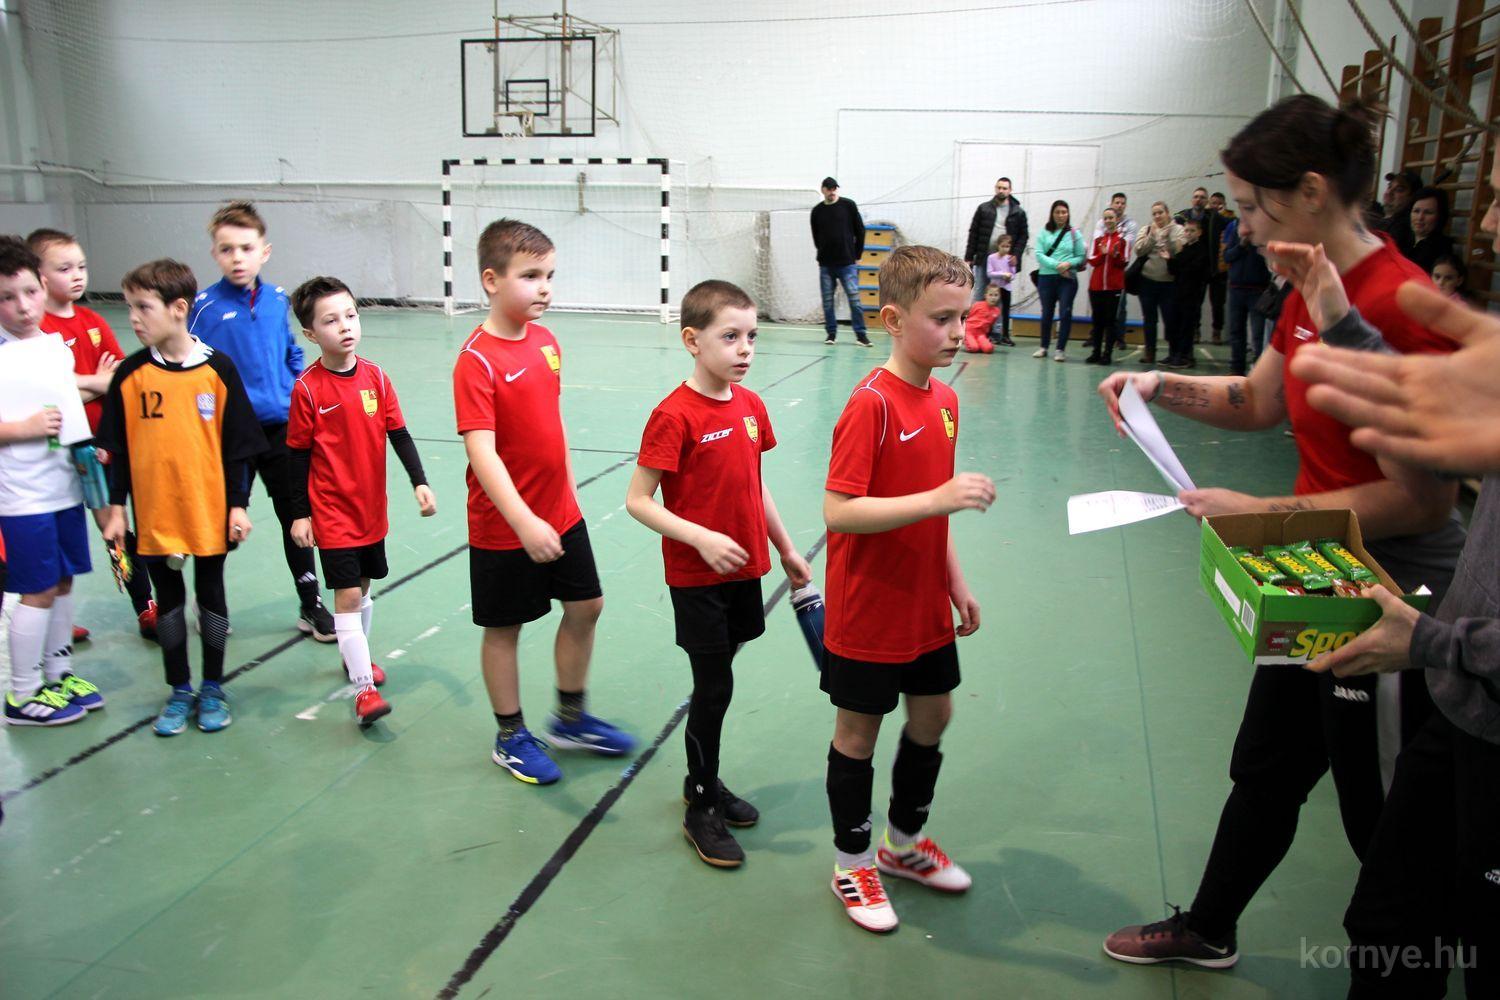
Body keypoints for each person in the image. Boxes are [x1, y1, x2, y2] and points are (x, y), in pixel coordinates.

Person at [1096, 94, 1466, 971]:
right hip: (1310, 573)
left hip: (1389, 597)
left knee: (1382, 813)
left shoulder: (1402, 306)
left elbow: (1423, 501)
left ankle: (1409, 965)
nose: (1245, 227)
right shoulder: (1308, 285)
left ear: (1310, 192)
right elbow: (1262, 399)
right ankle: (1211, 925)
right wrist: (1159, 387)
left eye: (1253, 207)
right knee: (1267, 764)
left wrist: (1262, 513)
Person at [1282, 230, 1500, 998]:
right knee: (1387, 921)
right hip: (1465, 705)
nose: (1489, 222)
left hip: (1472, 693)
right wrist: (1343, 324)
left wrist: (1435, 642)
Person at [820, 245, 992, 934]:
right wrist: (937, 499)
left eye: (963, 318)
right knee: (858, 733)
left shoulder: (945, 400)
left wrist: (956, 582)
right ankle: (851, 863)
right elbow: (839, 512)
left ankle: (902, 845)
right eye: (941, 319)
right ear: (893, 320)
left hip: (924, 605)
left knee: (934, 717)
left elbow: (933, 511)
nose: (957, 333)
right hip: (869, 608)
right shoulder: (872, 405)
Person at [625, 279, 812, 868]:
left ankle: (700, 779)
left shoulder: (751, 407)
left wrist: (786, 548)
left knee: (719, 680)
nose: (745, 348)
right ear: (692, 340)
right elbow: (638, 500)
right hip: (697, 577)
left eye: (751, 336)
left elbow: (755, 486)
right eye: (730, 336)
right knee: (714, 688)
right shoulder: (673, 415)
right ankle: (701, 805)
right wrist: (699, 536)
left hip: (744, 569)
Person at [453, 218, 636, 786]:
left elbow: (552, 424)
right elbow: (482, 451)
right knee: (504, 628)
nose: (545, 288)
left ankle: (570, 719)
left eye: (549, 275)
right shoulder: (477, 359)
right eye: (531, 275)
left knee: (587, 606)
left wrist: (569, 490)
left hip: (560, 511)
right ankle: (510, 736)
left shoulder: (547, 343)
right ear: (492, 280)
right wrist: (524, 520)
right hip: (505, 525)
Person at [97, 259, 266, 736]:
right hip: (155, 515)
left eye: (143, 307)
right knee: (168, 605)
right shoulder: (130, 375)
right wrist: (116, 509)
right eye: (130, 307)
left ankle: (212, 686)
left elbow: (240, 448)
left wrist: (238, 504)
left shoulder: (218, 370)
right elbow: (115, 449)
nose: (133, 318)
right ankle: (179, 689)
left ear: (178, 309)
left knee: (210, 598)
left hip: (209, 511)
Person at [286, 276, 436, 727]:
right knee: (347, 595)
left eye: (350, 315)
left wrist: (419, 481)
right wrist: (299, 513)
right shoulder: (308, 389)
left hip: (371, 509)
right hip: (332, 512)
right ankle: (363, 689)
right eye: (331, 321)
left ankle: (357, 657)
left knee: (364, 589)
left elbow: (399, 433)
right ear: (311, 334)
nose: (345, 326)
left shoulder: (376, 377)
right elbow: (296, 456)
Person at [190, 202, 335, 642]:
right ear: (215, 254)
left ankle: (310, 603)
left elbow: (289, 349)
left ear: (264, 252)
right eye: (227, 249)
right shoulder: (204, 308)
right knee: (222, 524)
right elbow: (193, 369)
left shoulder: (276, 301)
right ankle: (210, 606)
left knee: (297, 518)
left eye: (246, 248)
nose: (237, 258)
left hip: (281, 430)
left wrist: (293, 389)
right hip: (230, 436)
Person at [28, 227, 157, 639]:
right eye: (64, 268)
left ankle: (145, 605)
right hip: (57, 448)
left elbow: (118, 378)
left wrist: (77, 384)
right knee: (62, 531)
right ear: (39, 276)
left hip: (103, 445)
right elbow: (47, 393)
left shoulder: (93, 320)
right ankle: (56, 618)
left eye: (81, 266)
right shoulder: (36, 327)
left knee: (118, 527)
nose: (77, 275)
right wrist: (91, 383)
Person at [0, 236, 101, 727]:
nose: (23, 306)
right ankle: (21, 694)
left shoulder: (52, 346)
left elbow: (68, 410)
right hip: (22, 498)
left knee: (62, 582)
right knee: (37, 588)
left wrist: (89, 460)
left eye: (29, 292)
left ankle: (58, 674)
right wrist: (23, 429)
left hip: (63, 487)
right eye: (6, 298)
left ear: (43, 287)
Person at [810, 177, 870, 347]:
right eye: (829, 189)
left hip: (847, 263)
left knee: (854, 299)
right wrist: (823, 252)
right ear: (823, 190)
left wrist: (857, 254)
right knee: (828, 301)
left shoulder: (848, 205)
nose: (832, 192)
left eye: (834, 188)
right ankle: (831, 334)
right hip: (826, 264)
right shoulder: (817, 211)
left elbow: (860, 231)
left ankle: (861, 335)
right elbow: (816, 236)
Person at [1032, 200, 1086, 361]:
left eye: (1064, 212)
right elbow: (1039, 254)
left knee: (1065, 313)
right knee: (1046, 313)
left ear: (1068, 214)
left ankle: (1060, 349)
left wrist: (1068, 264)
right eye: (1057, 212)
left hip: (1067, 279)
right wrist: (1057, 266)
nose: (1061, 215)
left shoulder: (1075, 234)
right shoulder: (1044, 233)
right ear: (1052, 214)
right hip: (1046, 278)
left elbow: (1080, 256)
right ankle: (1043, 346)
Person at [1132, 202, 1183, 366]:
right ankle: (1150, 352)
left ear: (1167, 213)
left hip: (1169, 283)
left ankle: (1174, 353)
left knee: (1170, 319)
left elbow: (1180, 251)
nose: (1157, 216)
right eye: (1154, 213)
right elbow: (1139, 250)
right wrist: (1153, 237)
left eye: (1160, 212)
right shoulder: (1146, 229)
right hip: (1147, 281)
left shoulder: (1178, 230)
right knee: (1149, 319)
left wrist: (1167, 238)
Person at [964, 177, 1028, 301]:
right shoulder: (983, 209)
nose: (1001, 191)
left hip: (1004, 260)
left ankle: (999, 315)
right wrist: (969, 257)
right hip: (984, 257)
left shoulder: (1018, 212)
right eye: (999, 188)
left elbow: (1023, 236)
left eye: (1004, 188)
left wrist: (1016, 254)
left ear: (1010, 190)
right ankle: (978, 314)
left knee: (1000, 295)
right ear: (995, 188)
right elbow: (973, 233)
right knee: (981, 292)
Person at [1222, 216, 1271, 376]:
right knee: (1236, 331)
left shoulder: (1264, 229)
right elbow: (1227, 256)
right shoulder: (1236, 228)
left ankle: (1259, 370)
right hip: (1236, 288)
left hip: (1257, 289)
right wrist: (1241, 245)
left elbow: (1269, 258)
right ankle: (1236, 368)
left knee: (1258, 333)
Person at [1164, 217, 1212, 369]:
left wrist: (1179, 264)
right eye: (1186, 230)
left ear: (1199, 232)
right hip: (1178, 292)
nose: (1189, 233)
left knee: (1187, 326)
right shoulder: (1183, 249)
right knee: (1174, 324)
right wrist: (1169, 259)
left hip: (1192, 294)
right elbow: (1174, 270)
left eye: (1192, 231)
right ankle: (1173, 354)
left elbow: (1194, 270)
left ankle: (1185, 356)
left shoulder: (1202, 250)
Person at [1084, 207, 1129, 364]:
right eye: (1106, 218)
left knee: (1110, 321)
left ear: (1116, 219)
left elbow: (1124, 262)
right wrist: (1103, 254)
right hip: (1096, 287)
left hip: (1113, 287)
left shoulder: (1122, 241)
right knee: (1097, 321)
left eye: (1111, 217)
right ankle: (1096, 352)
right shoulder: (1098, 240)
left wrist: (1115, 255)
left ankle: (1107, 354)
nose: (1108, 220)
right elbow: (1092, 260)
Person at [1094, 192, 1137, 334]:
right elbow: (1098, 242)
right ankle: (1095, 336)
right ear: (1111, 204)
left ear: (1125, 206)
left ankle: (1119, 337)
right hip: (1101, 269)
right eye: (1117, 203)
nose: (1120, 205)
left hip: (1118, 268)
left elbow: (1127, 244)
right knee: (1099, 306)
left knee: (1120, 305)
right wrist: (1110, 247)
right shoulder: (1101, 222)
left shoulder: (1131, 224)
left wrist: (1112, 247)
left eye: (1122, 203)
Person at [1401, 186, 1454, 274]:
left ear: (1439, 217)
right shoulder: (1400, 238)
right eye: (1416, 211)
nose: (1420, 217)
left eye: (1428, 212)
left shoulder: (1442, 248)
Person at [1205, 193, 1236, 343]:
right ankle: (1196, 331)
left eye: (1218, 203)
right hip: (1204, 267)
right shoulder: (1204, 217)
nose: (1215, 206)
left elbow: (1232, 226)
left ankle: (1216, 331)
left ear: (1224, 204)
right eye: (1213, 203)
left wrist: (1220, 214)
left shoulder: (1231, 219)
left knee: (1218, 303)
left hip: (1220, 269)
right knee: (1196, 301)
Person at [1372, 168, 1421, 248]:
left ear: (1412, 197)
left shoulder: (1402, 228)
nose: (1389, 192)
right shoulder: (1376, 213)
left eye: (1399, 190)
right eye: (1389, 186)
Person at [984, 234, 1016, 346]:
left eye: (1007, 246)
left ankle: (1005, 335)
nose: (1005, 249)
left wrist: (1010, 276)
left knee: (1006, 312)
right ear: (998, 245)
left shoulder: (1010, 258)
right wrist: (1003, 274)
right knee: (991, 311)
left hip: (1006, 287)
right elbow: (989, 273)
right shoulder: (991, 257)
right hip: (995, 288)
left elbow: (1013, 274)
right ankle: (989, 333)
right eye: (1003, 246)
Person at [963, 284, 1001, 354]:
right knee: (974, 348)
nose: (993, 298)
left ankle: (977, 342)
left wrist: (987, 339)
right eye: (990, 295)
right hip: (969, 331)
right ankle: (965, 339)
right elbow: (967, 316)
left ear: (999, 296)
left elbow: (990, 326)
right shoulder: (978, 305)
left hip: (981, 334)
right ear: (985, 296)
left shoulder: (997, 311)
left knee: (988, 349)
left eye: (996, 295)